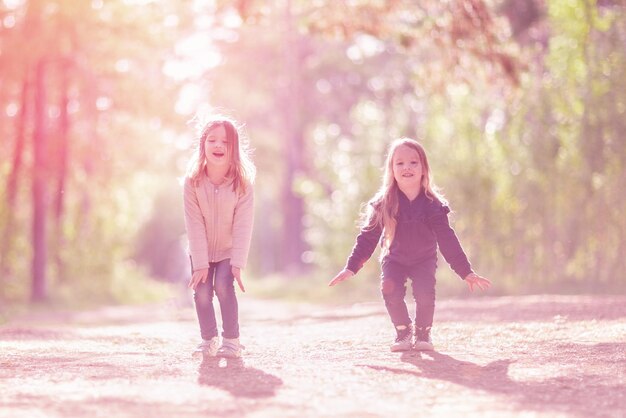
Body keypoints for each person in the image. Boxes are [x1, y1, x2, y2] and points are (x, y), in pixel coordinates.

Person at [329, 138, 491, 352]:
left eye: (414, 162)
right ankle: (403, 332)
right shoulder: (384, 203)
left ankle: (423, 333)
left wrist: (465, 271)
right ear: (392, 170)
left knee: (425, 294)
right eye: (400, 163)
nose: (407, 167)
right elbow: (368, 237)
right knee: (390, 291)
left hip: (424, 259)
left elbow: (447, 239)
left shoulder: (433, 206)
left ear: (423, 168)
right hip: (393, 259)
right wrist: (351, 267)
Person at [183, 115, 255, 358]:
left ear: (234, 148)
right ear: (202, 145)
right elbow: (193, 223)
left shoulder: (242, 183)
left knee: (224, 286)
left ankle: (232, 341)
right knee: (202, 291)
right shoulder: (192, 182)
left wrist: (237, 263)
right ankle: (208, 338)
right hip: (200, 249)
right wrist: (200, 263)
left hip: (228, 249)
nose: (218, 146)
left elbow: (244, 225)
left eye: (225, 142)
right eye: (212, 140)